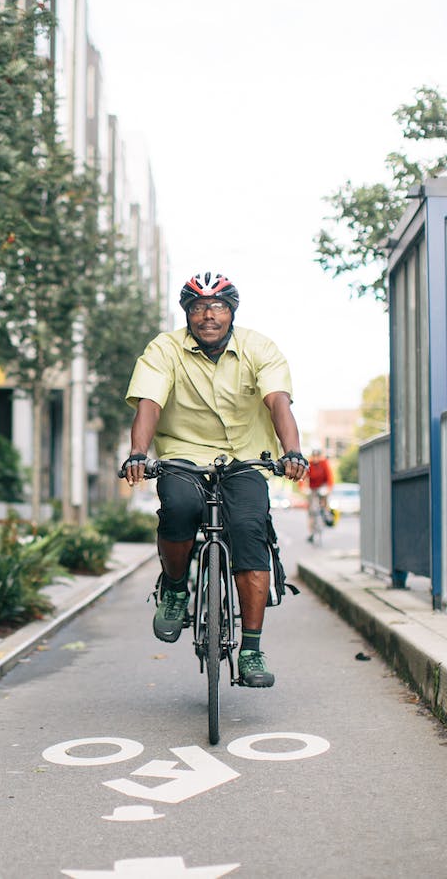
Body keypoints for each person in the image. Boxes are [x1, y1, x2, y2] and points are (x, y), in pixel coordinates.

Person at [121, 272, 307, 688]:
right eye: (198, 307)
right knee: (179, 509)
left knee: (249, 531)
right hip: (183, 455)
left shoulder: (260, 348)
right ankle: (173, 588)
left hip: (246, 458)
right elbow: (149, 402)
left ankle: (252, 650)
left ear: (232, 312)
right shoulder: (164, 349)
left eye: (218, 307)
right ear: (187, 313)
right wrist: (138, 453)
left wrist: (290, 450)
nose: (208, 315)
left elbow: (278, 400)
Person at [305, 449, 334, 539]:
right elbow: (304, 476)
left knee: (324, 501)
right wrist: (304, 488)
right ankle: (311, 532)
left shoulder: (324, 463)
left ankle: (327, 514)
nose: (315, 458)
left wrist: (328, 488)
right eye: (314, 456)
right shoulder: (309, 464)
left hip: (322, 487)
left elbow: (330, 477)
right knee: (311, 510)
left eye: (317, 456)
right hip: (312, 488)